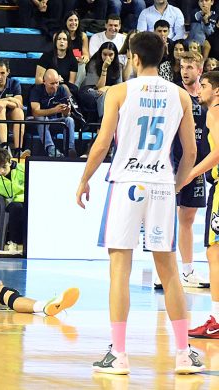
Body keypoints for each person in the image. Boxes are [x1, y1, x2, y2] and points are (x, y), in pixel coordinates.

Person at [76, 31, 204, 375]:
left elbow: (103, 142)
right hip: (161, 183)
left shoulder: (119, 92)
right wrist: (176, 185)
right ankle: (182, 353)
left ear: (132, 57)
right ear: (164, 58)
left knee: (120, 269)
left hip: (126, 183)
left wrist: (84, 178)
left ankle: (118, 354)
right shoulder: (180, 95)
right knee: (170, 272)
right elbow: (190, 152)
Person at [154, 52, 210, 290]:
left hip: (197, 162)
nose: (185, 71)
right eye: (182, 67)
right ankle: (162, 272)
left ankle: (187, 271)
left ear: (200, 70)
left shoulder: (207, 96)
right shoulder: (174, 94)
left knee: (187, 217)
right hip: (172, 161)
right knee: (165, 216)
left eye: (190, 67)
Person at [185, 71, 219, 338]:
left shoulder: (214, 111)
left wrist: (193, 172)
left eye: (204, 85)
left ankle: (216, 320)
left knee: (214, 253)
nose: (200, 89)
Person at [0, 59, 30, 159]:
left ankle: (18, 150)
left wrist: (6, 103)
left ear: (8, 72)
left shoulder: (14, 83)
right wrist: (7, 99)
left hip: (8, 116)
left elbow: (19, 104)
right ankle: (5, 147)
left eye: (2, 73)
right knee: (0, 109)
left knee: (19, 112)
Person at [0, 148, 26, 251]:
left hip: (29, 202)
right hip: (14, 206)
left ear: (10, 162)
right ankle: (13, 243)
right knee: (16, 207)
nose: (2, 171)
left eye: (4, 167)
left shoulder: (24, 169)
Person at [29, 69, 77, 158]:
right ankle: (51, 149)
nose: (55, 86)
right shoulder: (36, 89)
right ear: (44, 82)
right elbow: (35, 112)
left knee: (69, 120)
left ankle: (70, 149)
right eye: (52, 84)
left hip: (54, 121)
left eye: (56, 83)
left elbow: (66, 115)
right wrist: (55, 110)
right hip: (36, 122)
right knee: (42, 119)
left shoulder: (62, 89)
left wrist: (66, 111)